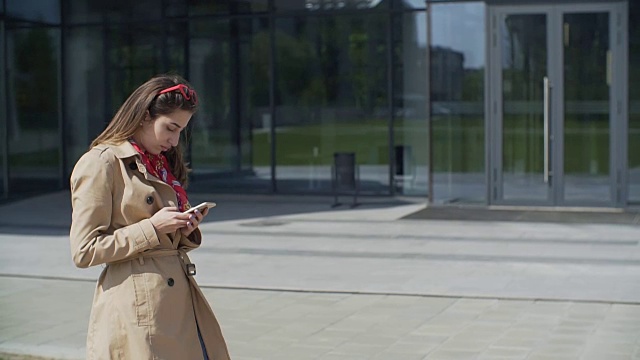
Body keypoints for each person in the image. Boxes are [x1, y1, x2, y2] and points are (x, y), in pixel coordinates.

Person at [69, 74, 230, 359]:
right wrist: (153, 228)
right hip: (138, 309)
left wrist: (184, 228)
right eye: (170, 128)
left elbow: (162, 242)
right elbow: (84, 251)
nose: (175, 139)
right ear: (144, 116)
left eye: (181, 130)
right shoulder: (101, 163)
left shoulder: (160, 164)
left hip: (175, 300)